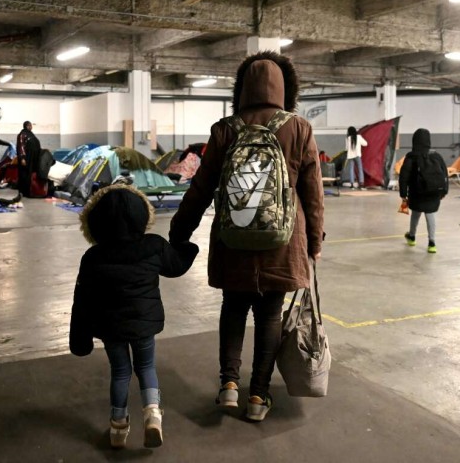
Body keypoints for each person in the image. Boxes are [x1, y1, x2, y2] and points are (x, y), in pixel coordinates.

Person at [169, 51, 325, 422]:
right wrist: (315, 241)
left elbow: (201, 189)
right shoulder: (299, 128)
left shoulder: (225, 129)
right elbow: (313, 194)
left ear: (241, 89)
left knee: (233, 307)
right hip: (282, 242)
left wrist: (180, 232)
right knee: (270, 315)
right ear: (285, 88)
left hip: (232, 240)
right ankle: (258, 395)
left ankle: (228, 384)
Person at [69, 184, 198, 449]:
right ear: (142, 216)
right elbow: (175, 266)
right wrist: (186, 247)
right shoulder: (154, 246)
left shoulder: (93, 257)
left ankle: (118, 427)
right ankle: (152, 415)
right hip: (144, 322)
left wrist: (80, 338)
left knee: (120, 372)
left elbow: (82, 300)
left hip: (110, 327)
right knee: (146, 367)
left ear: (96, 221)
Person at [399, 128, 448, 254]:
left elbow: (404, 176)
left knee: (416, 212)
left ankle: (412, 236)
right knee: (430, 214)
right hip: (434, 192)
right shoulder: (436, 156)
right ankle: (432, 243)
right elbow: (445, 175)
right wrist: (444, 191)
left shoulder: (411, 157)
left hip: (417, 192)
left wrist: (403, 194)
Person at [16, 121, 40, 197]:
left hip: (33, 157)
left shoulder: (31, 134)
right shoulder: (22, 134)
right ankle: (24, 192)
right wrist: (22, 158)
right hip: (27, 157)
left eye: (31, 125)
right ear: (25, 126)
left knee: (31, 174)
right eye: (29, 125)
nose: (31, 127)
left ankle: (31, 191)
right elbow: (21, 146)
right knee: (25, 174)